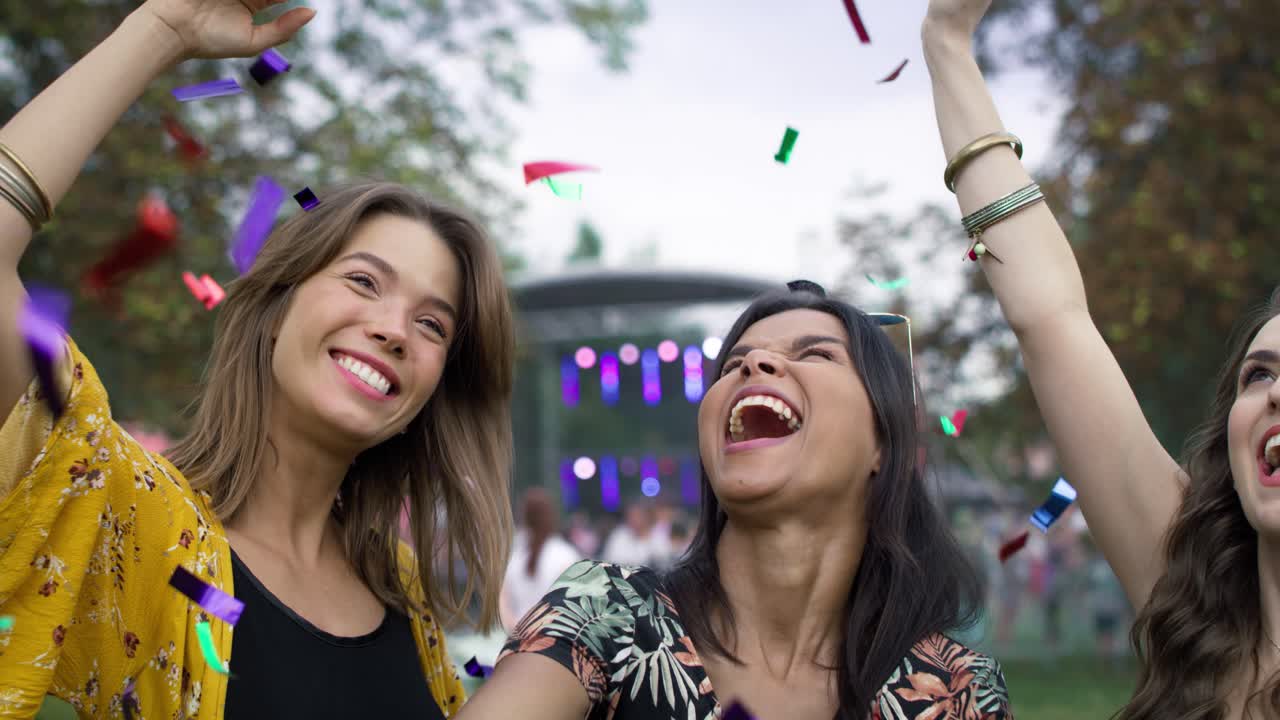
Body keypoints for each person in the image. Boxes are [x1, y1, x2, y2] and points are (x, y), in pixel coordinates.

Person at [0, 1, 517, 717]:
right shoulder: (137, 523)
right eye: (364, 281)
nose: (395, 329)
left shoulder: (408, 598)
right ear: (275, 311)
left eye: (433, 324)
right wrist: (162, 32)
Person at [923, 0, 1280, 715]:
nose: (1273, 394)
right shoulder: (1194, 600)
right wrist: (948, 42)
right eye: (1259, 373)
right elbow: (1051, 317)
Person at [457, 284, 1012, 720]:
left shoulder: (957, 691)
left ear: (883, 443)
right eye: (732, 364)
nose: (755, 366)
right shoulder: (604, 617)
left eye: (817, 354)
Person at [500, 488, 582, 631]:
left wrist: (517, 632)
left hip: (519, 639)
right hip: (554, 642)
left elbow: (502, 603)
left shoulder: (515, 556)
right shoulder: (566, 555)